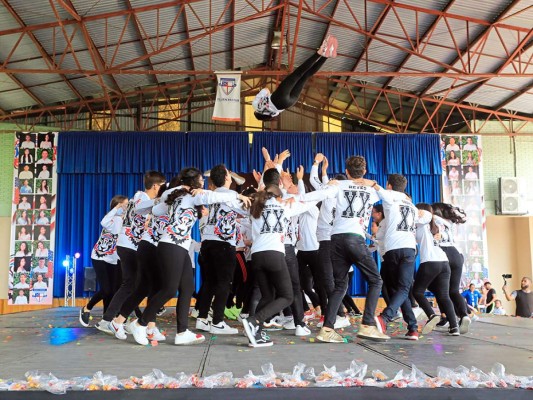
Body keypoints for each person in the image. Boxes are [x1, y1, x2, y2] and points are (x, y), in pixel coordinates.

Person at [127, 168, 250, 346]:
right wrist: (238, 196)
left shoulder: (180, 196)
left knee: (187, 288)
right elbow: (215, 196)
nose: (204, 183)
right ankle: (140, 323)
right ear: (194, 183)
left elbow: (158, 209)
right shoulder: (192, 196)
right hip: (171, 246)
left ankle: (182, 332)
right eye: (201, 180)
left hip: (179, 247)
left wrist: (171, 195)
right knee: (169, 289)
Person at [297, 156, 388, 342]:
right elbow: (389, 199)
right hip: (355, 238)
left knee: (340, 284)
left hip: (336, 239)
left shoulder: (338, 185)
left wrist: (298, 200)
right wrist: (375, 184)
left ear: (346, 171)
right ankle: (368, 324)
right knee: (376, 280)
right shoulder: (371, 190)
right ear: (364, 171)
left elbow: (318, 195)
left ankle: (328, 329)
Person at [96, 171, 166, 337]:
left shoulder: (145, 201)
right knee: (132, 284)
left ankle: (123, 320)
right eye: (162, 186)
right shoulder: (140, 196)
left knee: (136, 284)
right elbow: (141, 208)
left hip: (132, 245)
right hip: (129, 245)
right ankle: (111, 320)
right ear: (156, 186)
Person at [241, 184, 312, 347]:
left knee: (267, 296)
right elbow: (310, 202)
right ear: (279, 196)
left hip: (257, 256)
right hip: (274, 255)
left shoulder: (255, 206)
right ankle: (254, 321)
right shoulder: (284, 206)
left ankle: (255, 331)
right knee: (287, 296)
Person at [196, 164, 249, 336]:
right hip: (223, 243)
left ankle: (202, 318)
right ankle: (217, 321)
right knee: (224, 283)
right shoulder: (231, 195)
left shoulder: (211, 195)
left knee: (210, 282)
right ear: (227, 178)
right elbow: (246, 211)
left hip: (207, 243)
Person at [252, 35, 338, 120]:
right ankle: (319, 52)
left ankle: (326, 56)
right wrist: (266, 95)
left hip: (288, 103)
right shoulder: (255, 105)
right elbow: (266, 89)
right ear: (256, 112)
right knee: (298, 74)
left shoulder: (272, 115)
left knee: (306, 76)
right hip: (277, 99)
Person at [79, 195, 128, 327]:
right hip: (99, 257)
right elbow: (103, 222)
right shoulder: (113, 219)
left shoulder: (124, 220)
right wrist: (116, 209)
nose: (126, 207)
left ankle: (106, 318)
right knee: (106, 290)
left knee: (113, 290)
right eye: (124, 205)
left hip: (113, 259)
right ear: (117, 207)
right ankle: (87, 308)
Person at [412, 204, 460, 336]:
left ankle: (432, 315)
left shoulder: (421, 223)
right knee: (444, 295)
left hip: (430, 261)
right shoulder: (435, 226)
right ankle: (454, 326)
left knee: (417, 291)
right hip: (444, 262)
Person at [432, 202, 471, 333]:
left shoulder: (433, 219)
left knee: (439, 289)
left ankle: (447, 316)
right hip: (456, 255)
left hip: (444, 254)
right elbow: (463, 217)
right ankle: (464, 314)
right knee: (453, 290)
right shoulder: (449, 222)